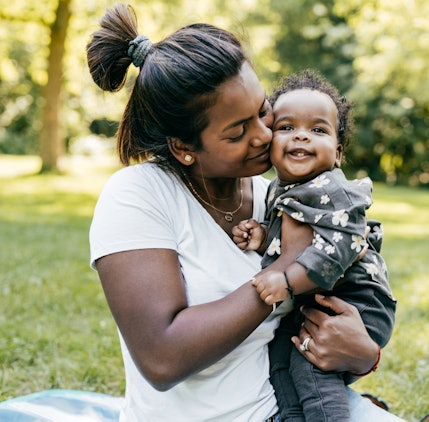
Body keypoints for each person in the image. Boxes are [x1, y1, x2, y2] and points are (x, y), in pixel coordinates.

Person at [86, 3, 405, 421]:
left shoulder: (274, 194)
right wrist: (284, 272)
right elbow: (162, 358)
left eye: (262, 111)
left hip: (294, 406)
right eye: (238, 132)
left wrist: (364, 355)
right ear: (184, 148)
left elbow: (337, 302)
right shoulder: (138, 195)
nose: (264, 135)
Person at [232, 70, 396, 421]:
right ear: (268, 141)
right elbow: (292, 238)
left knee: (311, 370)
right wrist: (263, 237)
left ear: (337, 154)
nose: (301, 136)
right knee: (279, 360)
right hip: (314, 302)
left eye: (317, 130)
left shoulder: (336, 192)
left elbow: (343, 245)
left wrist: (288, 281)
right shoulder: (279, 188)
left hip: (357, 302)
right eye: (287, 127)